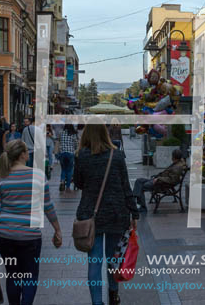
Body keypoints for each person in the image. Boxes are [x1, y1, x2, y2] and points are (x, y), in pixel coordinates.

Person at [0, 139, 62, 305]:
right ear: (22, 154)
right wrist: (57, 229)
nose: (28, 154)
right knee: (30, 274)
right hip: (30, 235)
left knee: (12, 274)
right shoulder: (38, 176)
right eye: (27, 152)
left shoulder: (0, 178)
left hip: (5, 234)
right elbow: (47, 206)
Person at [75, 124, 139, 305]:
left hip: (90, 216)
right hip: (116, 213)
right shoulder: (117, 155)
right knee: (114, 258)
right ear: (106, 134)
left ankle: (97, 302)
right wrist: (134, 212)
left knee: (94, 261)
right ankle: (113, 294)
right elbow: (126, 186)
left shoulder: (81, 156)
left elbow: (78, 183)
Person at [59, 124, 78, 192]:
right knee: (70, 170)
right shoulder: (73, 134)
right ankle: (67, 187)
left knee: (63, 169)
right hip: (70, 153)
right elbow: (76, 143)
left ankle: (62, 181)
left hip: (62, 153)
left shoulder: (61, 133)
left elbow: (59, 141)